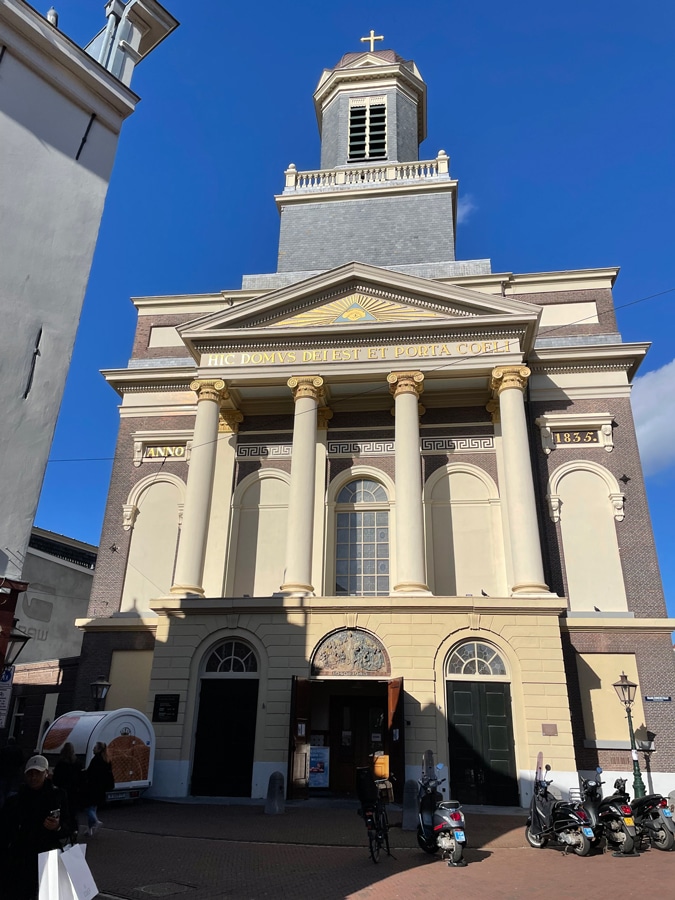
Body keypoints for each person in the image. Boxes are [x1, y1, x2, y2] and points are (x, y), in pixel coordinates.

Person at [0, 754, 69, 900]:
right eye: (30, 773)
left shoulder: (58, 797)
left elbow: (70, 825)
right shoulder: (15, 801)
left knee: (49, 895)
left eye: (37, 773)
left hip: (47, 855)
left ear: (46, 774)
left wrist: (57, 827)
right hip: (20, 858)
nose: (33, 777)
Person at [52, 742, 84, 842]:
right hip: (74, 791)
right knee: (73, 812)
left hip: (63, 790)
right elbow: (81, 778)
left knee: (64, 811)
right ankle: (74, 830)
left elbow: (56, 778)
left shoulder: (61, 763)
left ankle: (64, 830)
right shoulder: (77, 763)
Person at [84, 742, 114, 836]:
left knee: (87, 807)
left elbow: (89, 773)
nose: (93, 749)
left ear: (99, 749)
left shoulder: (96, 760)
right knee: (93, 807)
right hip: (102, 788)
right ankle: (90, 830)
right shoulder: (107, 760)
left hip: (93, 787)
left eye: (95, 747)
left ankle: (96, 821)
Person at [0, 736, 25, 808]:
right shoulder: (18, 750)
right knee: (12, 791)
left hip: (3, 773)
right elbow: (22, 761)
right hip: (15, 773)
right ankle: (8, 806)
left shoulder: (3, 750)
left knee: (2, 790)